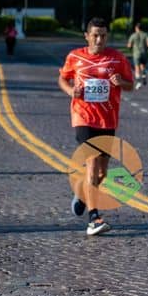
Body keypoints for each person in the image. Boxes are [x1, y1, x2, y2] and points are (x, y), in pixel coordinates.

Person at [58, 17, 135, 236]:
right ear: (87, 36)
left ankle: (82, 193)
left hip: (107, 120)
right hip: (83, 117)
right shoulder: (75, 57)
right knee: (91, 165)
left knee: (101, 173)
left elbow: (130, 85)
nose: (99, 40)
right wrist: (70, 91)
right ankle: (94, 218)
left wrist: (121, 83)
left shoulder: (117, 58)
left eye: (103, 35)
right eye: (95, 35)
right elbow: (63, 79)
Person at [126, 22, 148, 89]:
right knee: (143, 66)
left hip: (136, 54)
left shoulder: (133, 35)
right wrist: (147, 48)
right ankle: (144, 76)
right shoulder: (145, 35)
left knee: (137, 68)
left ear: (136, 28)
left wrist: (129, 48)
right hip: (144, 53)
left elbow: (129, 45)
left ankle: (138, 82)